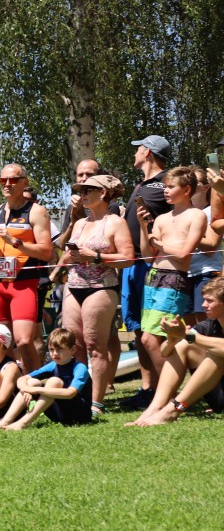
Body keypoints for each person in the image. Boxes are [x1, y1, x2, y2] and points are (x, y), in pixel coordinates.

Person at [58, 174, 133, 415]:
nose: (83, 194)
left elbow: (127, 258)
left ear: (103, 193)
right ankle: (80, 396)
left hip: (101, 287)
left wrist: (97, 257)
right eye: (81, 190)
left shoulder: (116, 222)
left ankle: (96, 402)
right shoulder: (80, 222)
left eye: (88, 189)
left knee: (95, 345)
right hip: (73, 285)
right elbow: (67, 253)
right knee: (75, 344)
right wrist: (68, 258)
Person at [0, 164, 53, 373]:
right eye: (3, 180)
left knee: (23, 340)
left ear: (25, 182)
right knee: (0, 343)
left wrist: (14, 241)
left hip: (24, 282)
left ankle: (33, 382)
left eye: (13, 180)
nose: (7, 184)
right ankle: (10, 382)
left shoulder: (36, 211)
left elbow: (46, 252)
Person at [120, 135, 173, 408]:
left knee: (153, 331)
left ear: (148, 153)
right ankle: (147, 388)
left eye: (138, 149)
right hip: (132, 264)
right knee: (138, 330)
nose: (134, 153)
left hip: (152, 265)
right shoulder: (141, 184)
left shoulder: (165, 183)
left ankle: (166, 391)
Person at [128, 277, 224, 426]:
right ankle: (155, 407)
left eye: (210, 301)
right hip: (218, 397)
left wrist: (186, 335)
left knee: (216, 355)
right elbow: (164, 352)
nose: (203, 305)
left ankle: (173, 410)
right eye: (204, 300)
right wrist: (172, 340)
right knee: (183, 345)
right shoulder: (209, 325)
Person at [136, 166, 206, 363]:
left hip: (174, 280)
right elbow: (148, 257)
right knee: (151, 338)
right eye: (165, 186)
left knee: (151, 339)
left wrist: (160, 245)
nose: (165, 191)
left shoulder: (196, 215)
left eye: (171, 187)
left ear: (187, 190)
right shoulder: (161, 219)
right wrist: (143, 228)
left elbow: (184, 254)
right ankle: (168, 382)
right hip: (153, 277)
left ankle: (169, 383)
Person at [0, 328, 91, 429]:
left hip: (79, 416)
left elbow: (70, 393)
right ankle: (6, 421)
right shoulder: (53, 365)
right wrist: (26, 389)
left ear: (72, 350)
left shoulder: (79, 368)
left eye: (60, 349)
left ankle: (23, 423)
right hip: (59, 415)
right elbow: (22, 379)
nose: (55, 353)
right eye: (51, 349)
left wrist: (35, 390)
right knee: (32, 382)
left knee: (54, 381)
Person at [187, 167, 221, 325]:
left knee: (206, 322)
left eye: (194, 181)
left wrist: (186, 233)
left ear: (207, 187)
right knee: (189, 326)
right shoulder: (184, 212)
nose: (189, 184)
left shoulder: (211, 212)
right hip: (185, 274)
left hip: (206, 273)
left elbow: (211, 247)